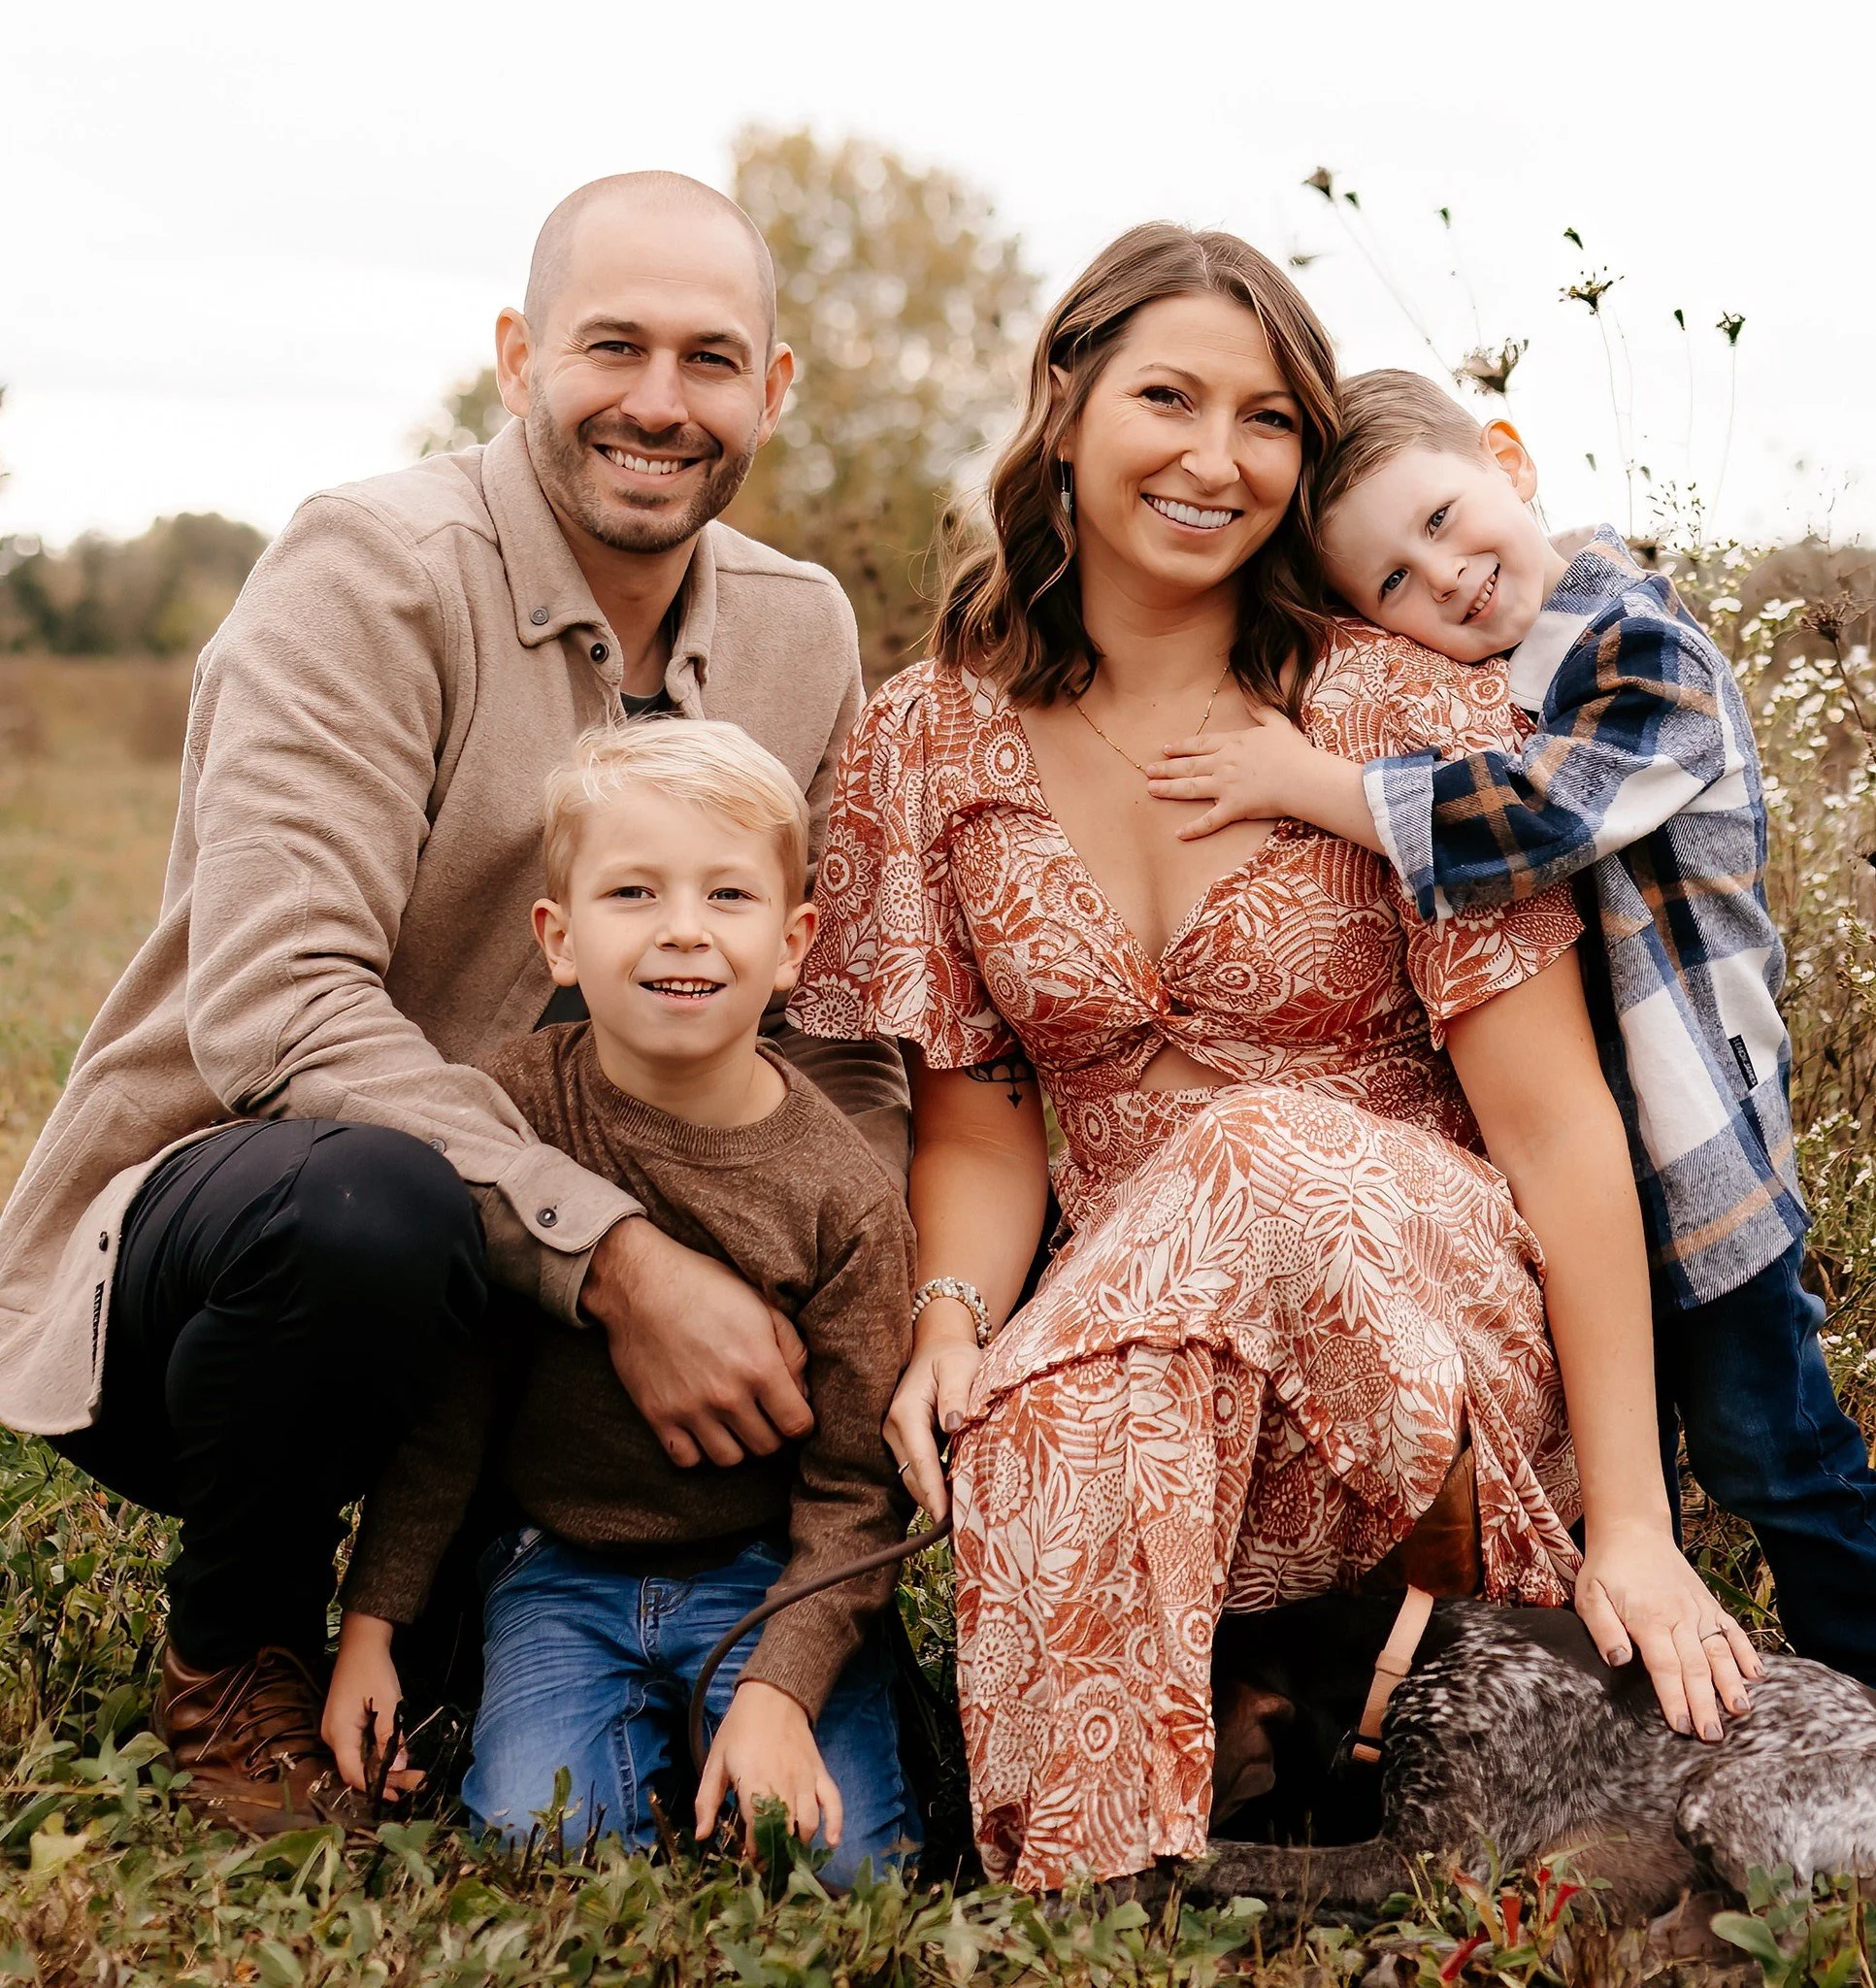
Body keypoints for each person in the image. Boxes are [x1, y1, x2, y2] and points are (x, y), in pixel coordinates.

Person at [791, 223, 1761, 1892]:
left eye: (1267, 421)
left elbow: (1553, 1123)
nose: (1215, 458)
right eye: (1169, 396)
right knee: (1048, 1382)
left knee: (1249, 1153)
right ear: (1064, 400)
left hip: (1427, 1334)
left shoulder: (1392, 713)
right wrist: (953, 1316)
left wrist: (1633, 1521)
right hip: (1162, 1374)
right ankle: (1123, 1871)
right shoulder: (921, 735)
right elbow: (977, 1113)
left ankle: (1347, 1643)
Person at [0, 171, 907, 1835]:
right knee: (369, 1198)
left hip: (558, 1378)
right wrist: (616, 1259)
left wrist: (843, 1282)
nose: (657, 400)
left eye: (710, 358)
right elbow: (276, 1004)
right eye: (610, 346)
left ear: (772, 390)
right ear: (515, 355)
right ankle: (239, 1642)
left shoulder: (801, 627)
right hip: (261, 1271)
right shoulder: (366, 570)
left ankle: (658, 1615)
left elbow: (837, 1015)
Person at [1145, 367, 1876, 1712]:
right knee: (1639, 1446)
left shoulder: (1642, 646)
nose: (1446, 577)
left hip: (1702, 1155)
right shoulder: (1497, 672)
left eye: (1450, 520)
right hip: (1607, 1172)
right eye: (1394, 582)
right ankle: (1690, 1688)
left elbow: (1542, 818)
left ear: (1509, 459)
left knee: (1773, 1446)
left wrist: (1316, 784)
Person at [322, 720, 918, 1880]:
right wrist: (370, 1625)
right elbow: (450, 1406)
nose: (683, 927)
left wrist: (779, 1684)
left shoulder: (840, 1191)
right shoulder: (510, 1118)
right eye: (633, 890)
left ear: (794, 942)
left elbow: (857, 1484)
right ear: (558, 936)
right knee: (549, 1849)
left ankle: (806, 1708)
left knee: (840, 1869)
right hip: (559, 1567)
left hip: (765, 1570)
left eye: (729, 894)